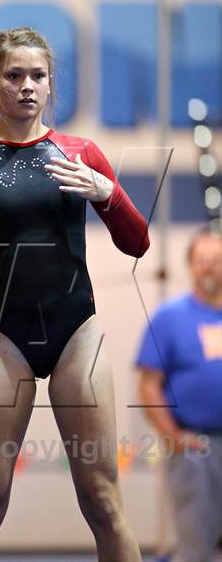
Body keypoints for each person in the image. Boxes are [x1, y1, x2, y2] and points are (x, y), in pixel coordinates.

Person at [0, 26, 149, 562]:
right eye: (14, 76)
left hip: (78, 332)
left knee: (103, 501)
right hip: (3, 339)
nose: (27, 86)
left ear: (51, 83)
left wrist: (109, 193)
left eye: (38, 75)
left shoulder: (79, 154)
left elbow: (137, 243)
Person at [135, 226, 222, 562]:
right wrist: (172, 435)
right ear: (190, 266)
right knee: (195, 545)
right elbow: (148, 384)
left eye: (216, 260)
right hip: (194, 447)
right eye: (202, 260)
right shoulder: (170, 318)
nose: (209, 267)